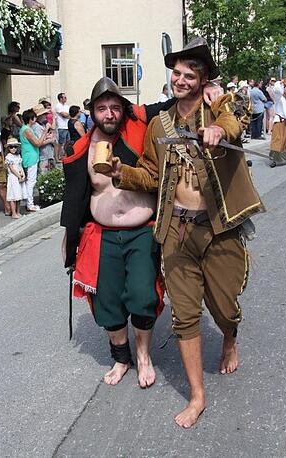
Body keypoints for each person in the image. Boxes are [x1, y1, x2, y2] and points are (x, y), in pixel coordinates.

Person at [105, 37, 263, 429]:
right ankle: (197, 395)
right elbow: (150, 175)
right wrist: (121, 173)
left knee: (224, 306)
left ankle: (229, 337)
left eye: (188, 75)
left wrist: (217, 131)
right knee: (185, 316)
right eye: (176, 73)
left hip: (218, 228)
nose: (179, 80)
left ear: (203, 78)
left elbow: (234, 123)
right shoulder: (160, 124)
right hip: (176, 230)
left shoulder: (217, 107)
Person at [60, 77, 179, 390]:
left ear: (123, 109)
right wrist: (70, 241)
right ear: (92, 112)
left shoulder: (140, 130)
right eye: (102, 108)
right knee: (107, 303)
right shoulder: (80, 150)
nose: (109, 114)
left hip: (142, 232)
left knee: (142, 295)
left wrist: (207, 87)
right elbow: (74, 201)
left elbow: (174, 102)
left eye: (115, 107)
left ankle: (143, 356)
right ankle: (121, 358)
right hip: (102, 235)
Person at [20, 108, 50, 212]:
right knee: (31, 181)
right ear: (31, 119)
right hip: (30, 157)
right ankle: (30, 204)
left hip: (32, 156)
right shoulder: (27, 130)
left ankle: (30, 203)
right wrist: (45, 131)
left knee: (31, 180)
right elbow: (37, 143)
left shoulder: (26, 128)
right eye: (34, 117)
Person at [4, 138, 25, 219]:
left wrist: (23, 174)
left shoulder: (18, 156)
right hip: (13, 178)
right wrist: (19, 176)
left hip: (18, 176)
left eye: (15, 147)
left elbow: (20, 166)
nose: (13, 149)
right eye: (11, 147)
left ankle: (18, 211)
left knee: (18, 195)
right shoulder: (8, 157)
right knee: (13, 195)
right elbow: (12, 169)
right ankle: (13, 212)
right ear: (8, 148)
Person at [35, 103, 56, 173]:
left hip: (48, 154)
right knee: (44, 176)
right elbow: (39, 142)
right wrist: (50, 140)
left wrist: (48, 136)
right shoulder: (36, 126)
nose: (46, 115)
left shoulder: (43, 124)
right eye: (44, 114)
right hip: (43, 156)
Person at [54, 92, 70, 161]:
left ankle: (64, 154)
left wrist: (68, 115)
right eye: (65, 97)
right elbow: (64, 115)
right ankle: (57, 157)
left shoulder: (67, 106)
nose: (66, 99)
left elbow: (69, 114)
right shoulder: (58, 106)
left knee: (68, 141)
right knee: (60, 143)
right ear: (60, 98)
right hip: (61, 127)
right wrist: (69, 115)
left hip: (67, 126)